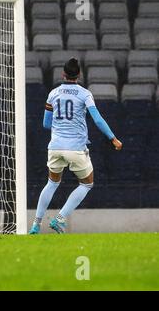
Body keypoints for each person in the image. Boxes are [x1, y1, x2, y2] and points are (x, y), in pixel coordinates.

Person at [29, 58, 122, 234]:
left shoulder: (53, 93)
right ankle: (60, 218)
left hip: (55, 146)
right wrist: (113, 138)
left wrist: (60, 126)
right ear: (79, 75)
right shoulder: (85, 94)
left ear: (63, 74)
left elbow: (46, 124)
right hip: (76, 147)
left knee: (51, 183)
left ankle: (36, 224)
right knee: (87, 184)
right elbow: (97, 119)